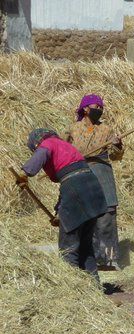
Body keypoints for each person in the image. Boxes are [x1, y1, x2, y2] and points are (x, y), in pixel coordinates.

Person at [17, 129, 107, 281]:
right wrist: (59, 213)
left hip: (76, 189)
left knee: (68, 248)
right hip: (91, 188)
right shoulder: (66, 146)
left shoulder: (47, 144)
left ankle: (72, 289)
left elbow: (42, 156)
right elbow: (69, 182)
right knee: (85, 246)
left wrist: (25, 174)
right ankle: (95, 287)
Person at [64, 94, 124, 270]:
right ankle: (86, 258)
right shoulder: (72, 130)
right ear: (85, 109)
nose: (99, 109)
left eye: (101, 106)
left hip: (102, 172)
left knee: (107, 216)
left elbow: (115, 156)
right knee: (84, 216)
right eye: (95, 106)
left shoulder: (106, 130)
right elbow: (63, 152)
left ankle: (109, 260)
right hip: (80, 172)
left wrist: (117, 145)